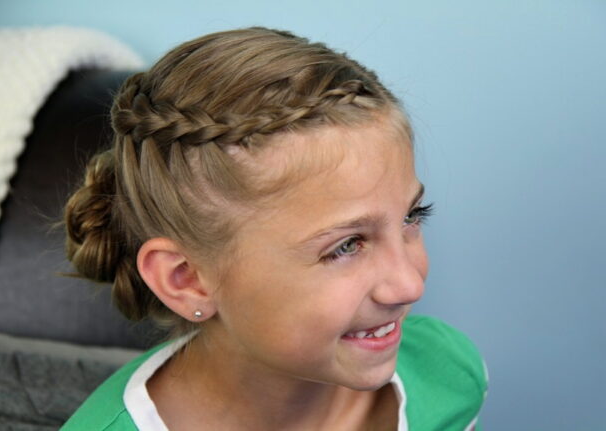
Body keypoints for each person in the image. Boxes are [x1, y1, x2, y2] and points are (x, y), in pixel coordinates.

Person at [61, 27, 487, 431]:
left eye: (413, 217)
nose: (409, 285)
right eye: (346, 246)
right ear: (187, 279)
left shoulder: (448, 373)